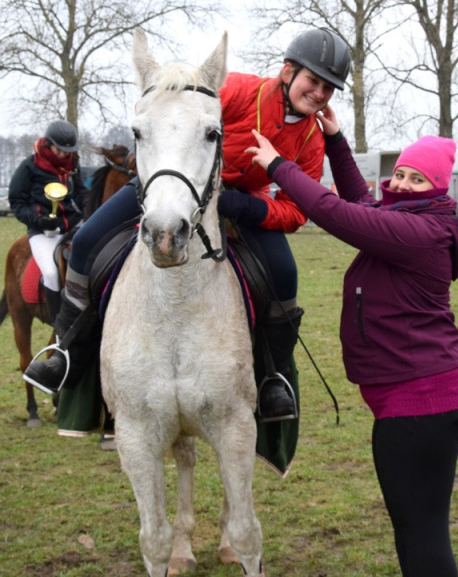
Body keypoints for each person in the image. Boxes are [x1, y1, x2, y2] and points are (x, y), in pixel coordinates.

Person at [248, 128, 458, 577]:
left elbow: (338, 213)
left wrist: (280, 166)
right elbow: (360, 202)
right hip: (417, 401)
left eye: (414, 177)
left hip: (422, 406)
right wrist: (335, 142)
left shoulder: (420, 232)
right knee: (412, 526)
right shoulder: (411, 220)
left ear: (436, 189)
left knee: (424, 533)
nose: (400, 182)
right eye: (398, 172)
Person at [23, 27, 351, 422]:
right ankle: (64, 349)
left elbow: (296, 211)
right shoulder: (239, 90)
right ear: (287, 72)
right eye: (313, 81)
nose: (318, 93)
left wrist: (246, 208)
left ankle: (274, 377)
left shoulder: (313, 138)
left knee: (285, 273)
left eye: (327, 88)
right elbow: (170, 114)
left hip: (244, 203)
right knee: (88, 237)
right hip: (174, 186)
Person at [9, 120, 88, 321]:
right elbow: (17, 202)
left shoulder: (72, 165)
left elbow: (79, 192)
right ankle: (59, 325)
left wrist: (88, 202)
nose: (63, 154)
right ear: (48, 144)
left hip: (73, 224)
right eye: (59, 149)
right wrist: (38, 220)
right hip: (43, 232)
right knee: (52, 274)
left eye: (67, 150)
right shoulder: (28, 167)